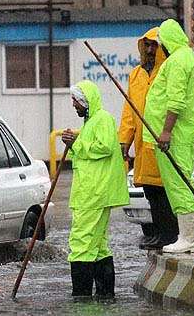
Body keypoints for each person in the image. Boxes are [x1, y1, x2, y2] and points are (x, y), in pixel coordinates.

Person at [61, 80, 129, 300]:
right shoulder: (92, 122)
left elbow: (106, 147)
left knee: (80, 241)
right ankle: (105, 295)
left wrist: (75, 144)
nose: (73, 105)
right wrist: (77, 140)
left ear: (86, 101)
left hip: (93, 193)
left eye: (75, 101)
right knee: (98, 245)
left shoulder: (102, 119)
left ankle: (80, 296)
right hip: (92, 190)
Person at [142, 19, 194, 253]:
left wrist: (166, 131)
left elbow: (176, 100)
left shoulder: (177, 60)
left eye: (160, 43)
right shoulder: (188, 57)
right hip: (179, 133)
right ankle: (190, 236)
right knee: (183, 183)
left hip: (173, 136)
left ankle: (188, 238)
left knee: (179, 185)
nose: (159, 48)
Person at [118, 27, 178, 250]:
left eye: (154, 45)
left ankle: (170, 234)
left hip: (161, 141)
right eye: (147, 45)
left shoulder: (168, 71)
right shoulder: (136, 74)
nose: (151, 49)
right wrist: (125, 140)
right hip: (143, 144)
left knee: (164, 191)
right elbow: (129, 111)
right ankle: (159, 232)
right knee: (150, 191)